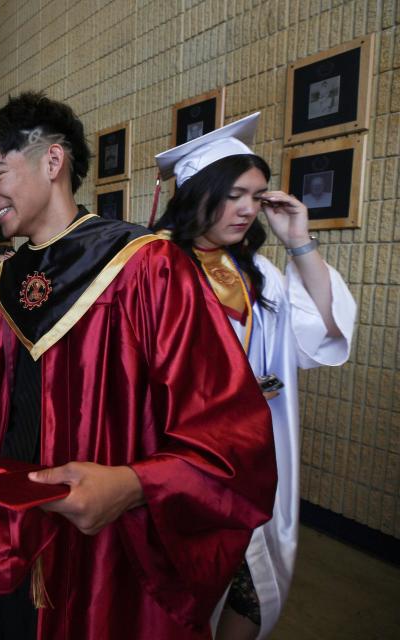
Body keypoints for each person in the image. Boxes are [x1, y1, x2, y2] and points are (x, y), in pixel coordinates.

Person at [0, 92, 277, 639]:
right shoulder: (4, 281)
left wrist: (133, 484)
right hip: (10, 526)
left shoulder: (147, 266)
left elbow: (230, 429)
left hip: (105, 542)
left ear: (52, 161)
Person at [152, 112, 356, 640]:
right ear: (197, 193)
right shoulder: (155, 268)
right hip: (183, 450)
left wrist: (298, 242)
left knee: (254, 583)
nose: (248, 209)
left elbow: (317, 332)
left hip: (257, 448)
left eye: (257, 196)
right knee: (182, 582)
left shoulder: (255, 271)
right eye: (235, 194)